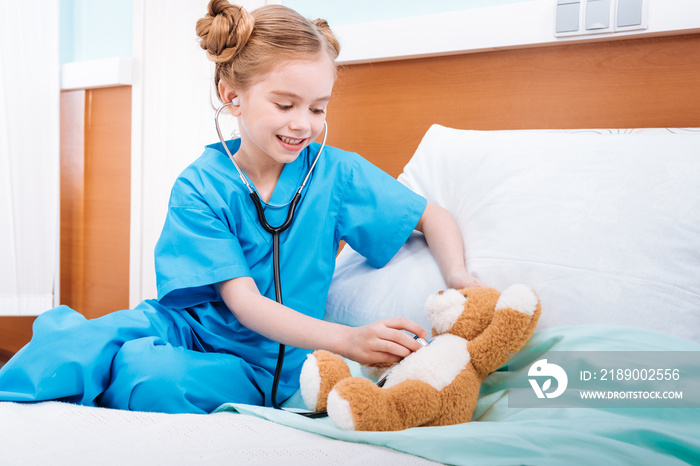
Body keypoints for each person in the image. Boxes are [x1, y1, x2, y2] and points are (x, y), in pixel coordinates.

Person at [0, 1, 481, 414]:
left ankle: (118, 366)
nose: (304, 124)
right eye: (285, 104)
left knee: (149, 375)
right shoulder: (200, 185)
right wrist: (347, 338)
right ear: (233, 97)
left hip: (258, 363)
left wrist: (458, 277)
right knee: (69, 347)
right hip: (186, 328)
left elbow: (431, 216)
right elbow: (243, 302)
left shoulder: (338, 175)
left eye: (317, 108)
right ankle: (66, 344)